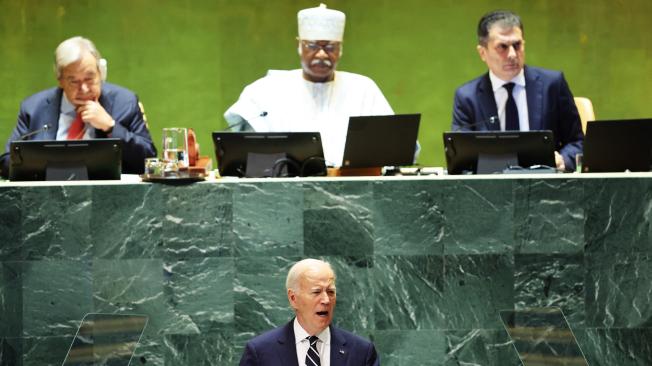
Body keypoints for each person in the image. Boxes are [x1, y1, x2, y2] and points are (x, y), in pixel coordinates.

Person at [224, 4, 394, 166]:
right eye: (312, 46)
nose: (321, 54)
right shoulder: (267, 90)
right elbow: (243, 149)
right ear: (299, 45)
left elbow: (395, 146)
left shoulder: (363, 90)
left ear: (340, 49)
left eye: (330, 47)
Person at [1, 36, 156, 177]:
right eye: (74, 81)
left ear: (100, 73)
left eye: (89, 78)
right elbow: (7, 161)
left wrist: (111, 127)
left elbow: (149, 161)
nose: (84, 89)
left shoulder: (124, 102)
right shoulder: (33, 108)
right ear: (60, 80)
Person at [451, 10, 583, 172]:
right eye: (502, 47)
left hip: (547, 186)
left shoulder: (552, 85)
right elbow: (461, 160)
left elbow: (578, 143)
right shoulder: (467, 97)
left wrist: (563, 160)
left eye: (517, 45)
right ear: (483, 53)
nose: (512, 54)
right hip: (492, 189)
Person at [239, 258, 380, 366]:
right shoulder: (260, 352)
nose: (326, 300)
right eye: (316, 292)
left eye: (331, 292)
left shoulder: (362, 352)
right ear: (293, 298)